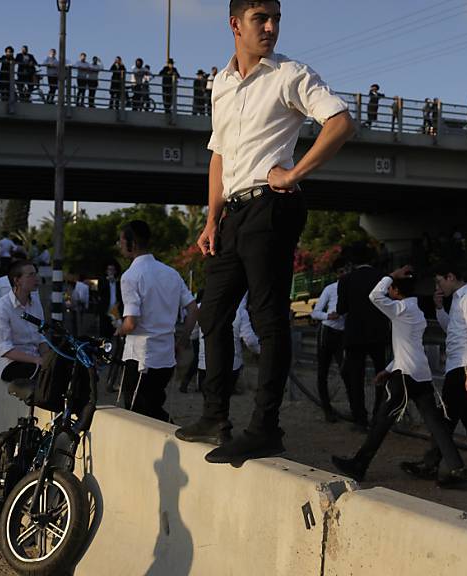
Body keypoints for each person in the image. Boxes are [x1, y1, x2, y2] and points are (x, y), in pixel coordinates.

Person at [176, 0, 355, 464]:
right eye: (261, 18)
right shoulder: (221, 83)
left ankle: (265, 429)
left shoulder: (290, 74)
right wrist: (211, 218)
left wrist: (294, 174)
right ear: (235, 24)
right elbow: (218, 155)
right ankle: (215, 415)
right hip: (233, 213)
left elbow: (340, 122)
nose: (271, 27)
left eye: (276, 18)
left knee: (267, 317)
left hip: (273, 205)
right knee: (213, 313)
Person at [331, 267, 467, 488]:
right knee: (436, 425)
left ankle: (359, 465)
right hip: (420, 374)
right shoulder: (416, 311)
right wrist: (388, 368)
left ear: (396, 290)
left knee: (382, 421)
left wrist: (391, 276)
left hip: (404, 376)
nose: (389, 291)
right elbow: (409, 347)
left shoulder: (400, 309)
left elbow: (374, 296)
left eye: (392, 288)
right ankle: (457, 468)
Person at [402, 263, 467, 480]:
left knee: (446, 416)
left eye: (439, 281)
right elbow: (453, 330)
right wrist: (439, 309)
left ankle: (431, 463)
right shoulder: (458, 299)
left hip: (463, 366)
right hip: (459, 365)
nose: (438, 287)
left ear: (451, 276)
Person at [116, 221, 198, 422]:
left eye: (121, 240)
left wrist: (118, 330)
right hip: (166, 356)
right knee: (154, 408)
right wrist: (182, 341)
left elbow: (131, 323)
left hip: (141, 357)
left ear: (132, 243)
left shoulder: (130, 276)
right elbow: (193, 309)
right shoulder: (171, 273)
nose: (119, 244)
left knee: (138, 415)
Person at [338, 243, 388, 429]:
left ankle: (360, 418)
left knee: (355, 378)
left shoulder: (346, 280)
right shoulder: (381, 277)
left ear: (352, 261)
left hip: (355, 334)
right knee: (381, 374)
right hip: (378, 332)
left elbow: (341, 308)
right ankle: (379, 415)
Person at [0, 260, 47, 382]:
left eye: (36, 274)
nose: (36, 278)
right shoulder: (1, 308)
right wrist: (37, 360)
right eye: (31, 275)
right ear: (17, 281)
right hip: (11, 363)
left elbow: (41, 338)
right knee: (43, 374)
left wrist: (48, 358)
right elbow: (5, 349)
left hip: (35, 358)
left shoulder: (36, 303)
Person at [310, 257, 347, 422]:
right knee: (323, 370)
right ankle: (327, 409)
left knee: (345, 370)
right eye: (341, 272)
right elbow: (315, 312)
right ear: (336, 274)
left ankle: (354, 407)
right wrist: (327, 316)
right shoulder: (330, 289)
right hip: (328, 331)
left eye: (346, 271)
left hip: (343, 333)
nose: (344, 274)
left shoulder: (352, 289)